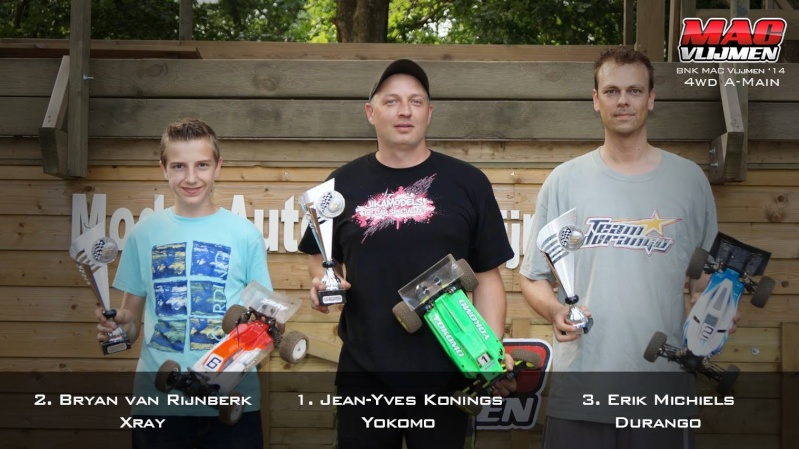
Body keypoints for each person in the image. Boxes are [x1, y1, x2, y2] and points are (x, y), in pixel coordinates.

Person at [298, 59, 515, 449]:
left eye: (415, 101)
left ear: (429, 113)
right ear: (371, 112)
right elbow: (320, 254)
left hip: (448, 373)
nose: (404, 111)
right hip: (365, 374)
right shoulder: (340, 184)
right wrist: (324, 281)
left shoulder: (469, 183)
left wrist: (488, 352)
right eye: (392, 101)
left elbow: (487, 277)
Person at [520, 47, 721, 449]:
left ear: (651, 98)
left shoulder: (689, 181)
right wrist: (556, 311)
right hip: (580, 391)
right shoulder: (564, 181)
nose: (623, 100)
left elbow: (704, 282)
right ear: (596, 100)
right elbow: (534, 278)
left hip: (662, 393)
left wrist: (718, 311)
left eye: (634, 90)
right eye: (612, 91)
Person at [96, 118, 271, 449]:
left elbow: (264, 323)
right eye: (179, 166)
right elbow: (130, 325)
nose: (191, 178)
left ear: (218, 167)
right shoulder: (142, 234)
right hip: (158, 405)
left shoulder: (245, 234)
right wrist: (119, 328)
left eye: (202, 165)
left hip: (232, 403)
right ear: (164, 169)